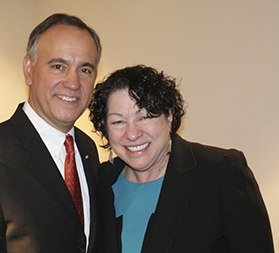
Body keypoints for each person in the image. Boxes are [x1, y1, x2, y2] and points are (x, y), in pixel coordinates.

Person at [0, 13, 101, 253]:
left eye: (85, 69)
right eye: (58, 66)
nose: (73, 83)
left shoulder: (87, 150)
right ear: (28, 70)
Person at [88, 65, 274, 253]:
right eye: (118, 121)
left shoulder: (219, 171)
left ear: (169, 116)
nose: (133, 134)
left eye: (144, 117)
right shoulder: (101, 181)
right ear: (105, 127)